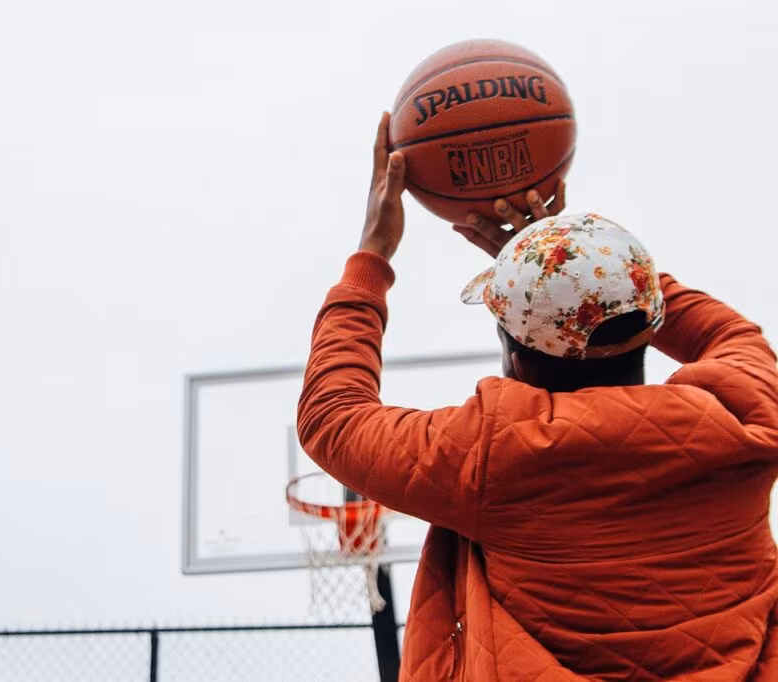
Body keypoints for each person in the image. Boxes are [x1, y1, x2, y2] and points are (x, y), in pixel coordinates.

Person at [297, 112, 778, 680]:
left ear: (514, 353)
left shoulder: (492, 456)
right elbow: (728, 334)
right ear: (649, 323)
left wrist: (371, 256)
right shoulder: (749, 413)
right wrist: (578, 260)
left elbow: (334, 417)